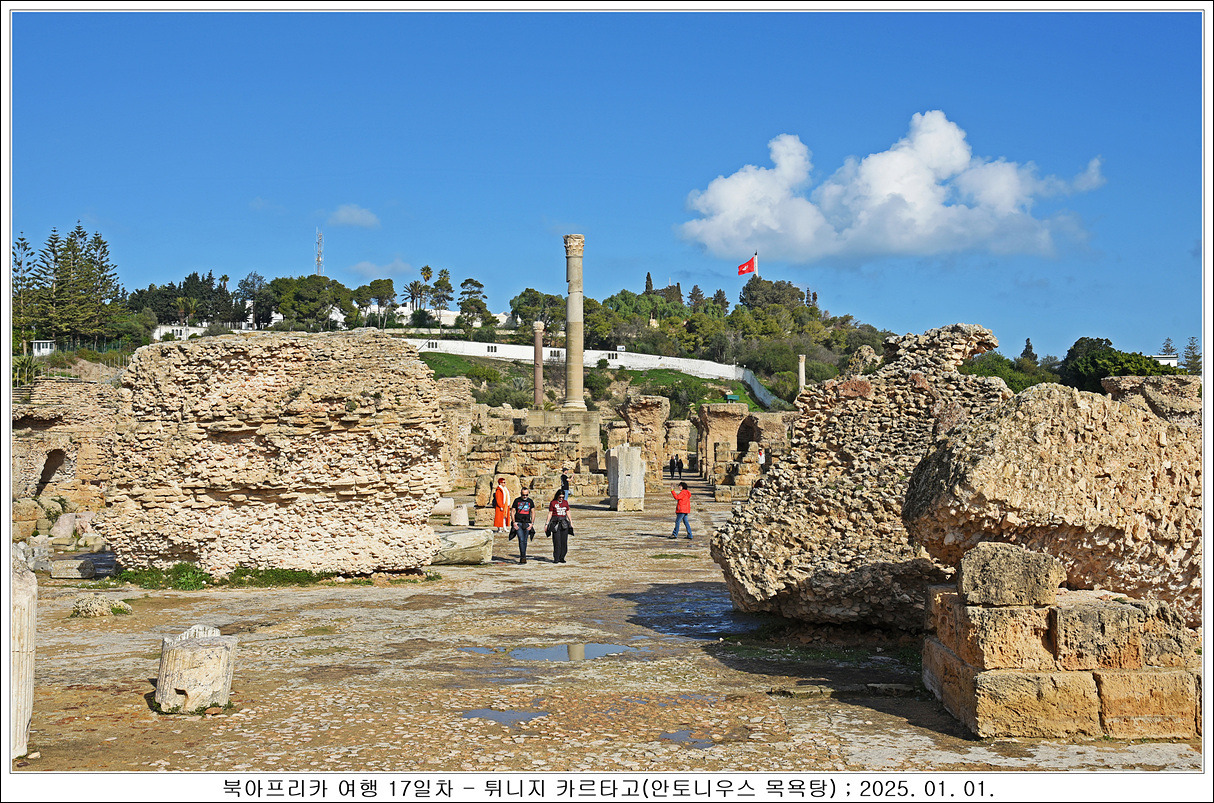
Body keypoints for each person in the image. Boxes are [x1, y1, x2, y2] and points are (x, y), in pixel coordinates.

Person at [508, 488, 537, 564]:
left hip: (527, 523)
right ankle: (523, 557)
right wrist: (514, 522)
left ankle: (523, 555)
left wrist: (532, 523)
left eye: (526, 495)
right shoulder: (517, 500)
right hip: (518, 523)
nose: (525, 496)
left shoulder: (530, 501)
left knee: (525, 540)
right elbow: (512, 511)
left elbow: (533, 512)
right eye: (523, 495)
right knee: (521, 539)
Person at [544, 488, 572, 564]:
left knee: (564, 541)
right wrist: (546, 524)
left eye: (563, 497)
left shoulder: (565, 502)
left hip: (564, 523)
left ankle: (562, 557)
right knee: (557, 541)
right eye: (560, 497)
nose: (561, 499)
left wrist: (571, 522)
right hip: (555, 523)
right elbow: (550, 513)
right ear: (557, 496)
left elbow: (568, 511)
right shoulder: (553, 503)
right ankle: (556, 557)